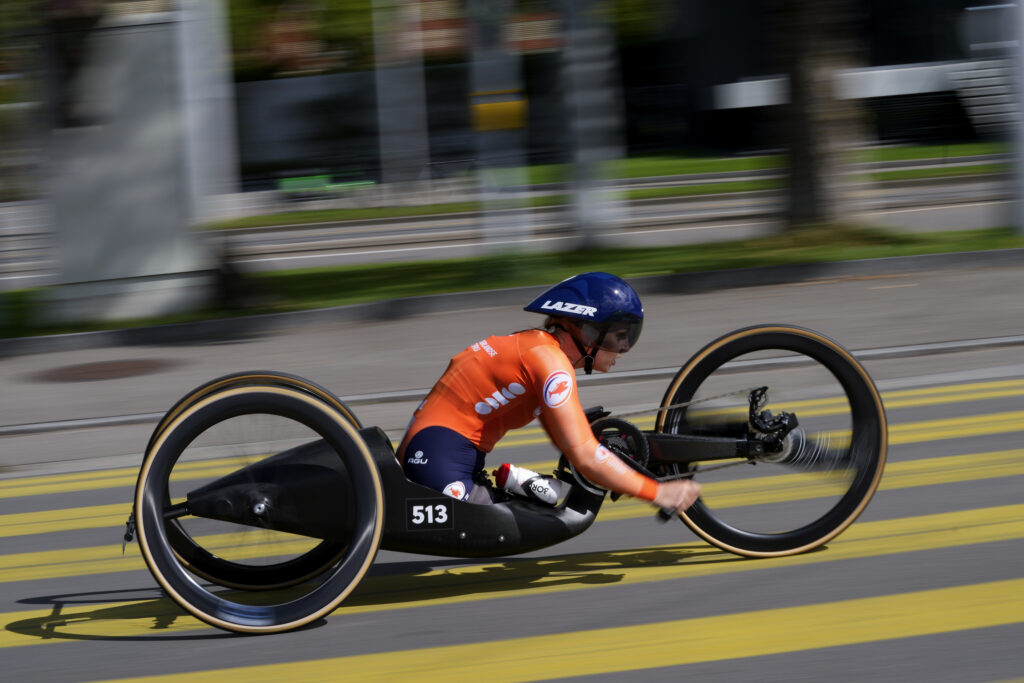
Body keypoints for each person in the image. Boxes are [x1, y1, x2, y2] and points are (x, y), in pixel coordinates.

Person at [396, 272, 701, 514]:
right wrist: (658, 492)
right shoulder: (552, 364)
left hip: (436, 452)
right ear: (588, 330)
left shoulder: (535, 346)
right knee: (530, 522)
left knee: (549, 500)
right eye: (620, 336)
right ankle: (515, 480)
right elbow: (584, 456)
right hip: (434, 465)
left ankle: (515, 481)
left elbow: (570, 446)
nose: (624, 348)